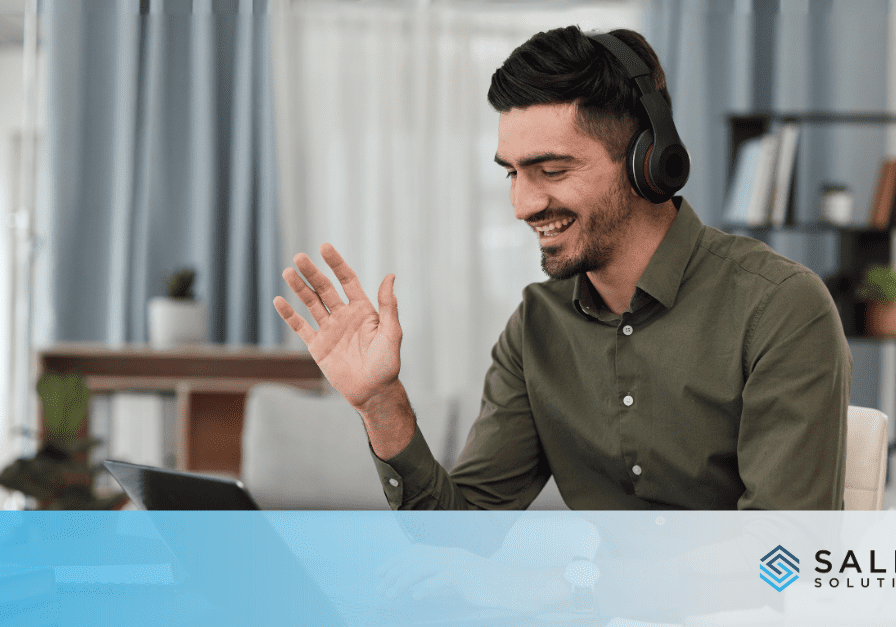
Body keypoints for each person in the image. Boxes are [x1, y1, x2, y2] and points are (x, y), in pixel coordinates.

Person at [272, 25, 851, 512]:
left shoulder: (778, 308)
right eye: (512, 173)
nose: (523, 205)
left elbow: (784, 557)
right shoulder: (536, 328)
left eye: (551, 170)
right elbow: (463, 534)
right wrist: (381, 401)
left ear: (650, 164)